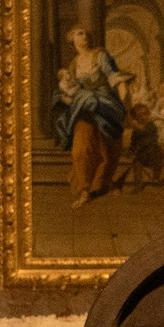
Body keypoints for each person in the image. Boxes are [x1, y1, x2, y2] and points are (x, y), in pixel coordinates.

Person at [53, 26, 129, 208]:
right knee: (81, 148)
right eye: (80, 33)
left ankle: (106, 183)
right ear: (72, 40)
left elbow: (115, 78)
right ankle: (85, 190)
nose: (84, 36)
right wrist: (66, 98)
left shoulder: (100, 55)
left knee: (107, 149)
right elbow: (72, 88)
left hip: (104, 106)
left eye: (86, 33)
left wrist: (124, 100)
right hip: (84, 107)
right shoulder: (73, 64)